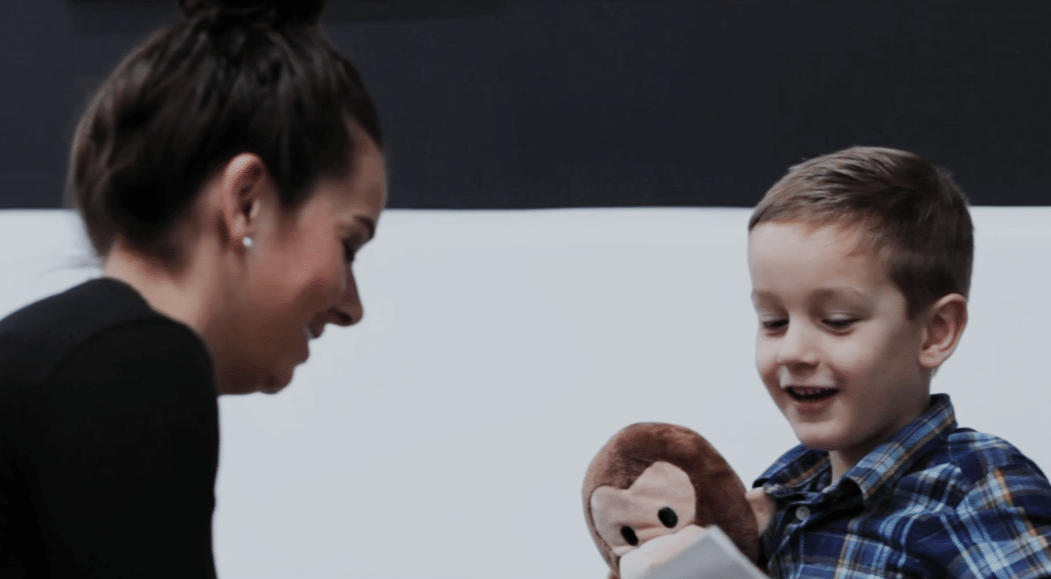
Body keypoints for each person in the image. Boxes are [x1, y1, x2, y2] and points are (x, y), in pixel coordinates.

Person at [0, 0, 385, 575]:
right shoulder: (136, 362)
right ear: (246, 202)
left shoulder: (58, 353)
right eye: (348, 245)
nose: (353, 307)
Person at [745, 146, 1051, 578]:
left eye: (838, 321)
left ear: (936, 331)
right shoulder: (784, 491)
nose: (792, 351)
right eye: (773, 321)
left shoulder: (974, 490)